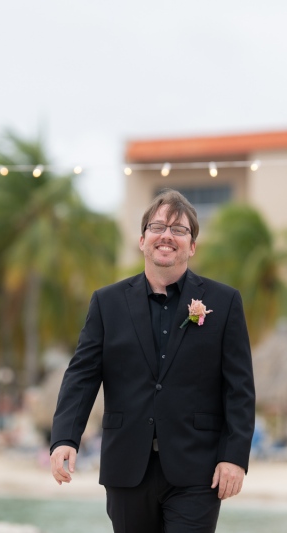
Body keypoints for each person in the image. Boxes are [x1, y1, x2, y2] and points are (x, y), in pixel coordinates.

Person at [50, 189, 256, 532]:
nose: (167, 236)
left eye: (179, 230)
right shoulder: (106, 303)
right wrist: (64, 438)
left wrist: (234, 457)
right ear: (143, 239)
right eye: (159, 226)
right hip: (126, 466)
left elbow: (240, 389)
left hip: (198, 470)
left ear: (192, 246)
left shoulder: (225, 301)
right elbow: (82, 376)